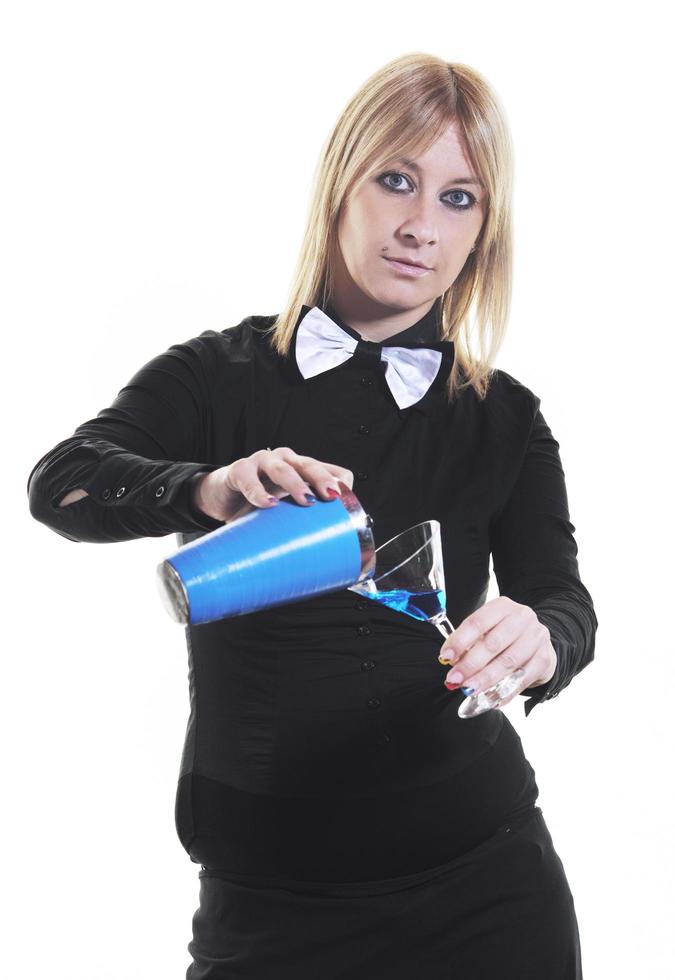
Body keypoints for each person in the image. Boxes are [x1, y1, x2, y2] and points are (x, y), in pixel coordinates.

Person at [27, 53, 598, 979]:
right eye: (397, 180)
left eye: (460, 199)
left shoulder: (504, 417)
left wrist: (541, 637)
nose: (420, 226)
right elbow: (63, 485)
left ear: (485, 231)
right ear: (342, 185)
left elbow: (562, 600)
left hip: (487, 887)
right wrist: (208, 488)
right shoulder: (217, 376)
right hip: (271, 901)